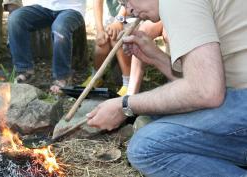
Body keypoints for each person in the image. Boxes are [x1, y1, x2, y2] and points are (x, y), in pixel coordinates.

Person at [86, 0, 247, 176]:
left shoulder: (175, 2)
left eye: (126, 1)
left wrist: (124, 105)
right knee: (150, 120)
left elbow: (206, 92)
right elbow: (204, 82)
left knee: (145, 149)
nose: (129, 10)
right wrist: (155, 57)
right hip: (235, 94)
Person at [7, 0, 86, 94]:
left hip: (72, 8)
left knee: (60, 29)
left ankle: (63, 77)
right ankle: (24, 70)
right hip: (43, 6)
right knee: (15, 18)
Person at [81, 0, 131, 96]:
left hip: (135, 15)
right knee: (102, 42)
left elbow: (130, 2)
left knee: (118, 37)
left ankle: (128, 83)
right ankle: (96, 77)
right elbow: (97, 2)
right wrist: (100, 30)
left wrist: (118, 21)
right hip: (113, 17)